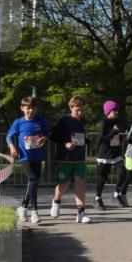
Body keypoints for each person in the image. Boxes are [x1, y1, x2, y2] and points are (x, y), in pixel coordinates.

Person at [6, 96, 51, 224]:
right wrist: (12, 146)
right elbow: (9, 136)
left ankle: (22, 207)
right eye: (27, 108)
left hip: (37, 156)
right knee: (32, 179)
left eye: (32, 108)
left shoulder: (40, 120)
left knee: (34, 183)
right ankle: (34, 211)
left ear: (35, 109)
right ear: (22, 109)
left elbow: (47, 133)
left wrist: (44, 138)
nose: (30, 111)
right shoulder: (18, 122)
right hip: (24, 156)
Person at [50, 95, 91, 224]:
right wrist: (65, 143)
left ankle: (81, 212)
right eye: (77, 110)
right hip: (65, 159)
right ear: (71, 107)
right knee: (64, 184)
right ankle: (56, 201)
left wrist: (87, 141)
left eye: (82, 110)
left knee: (80, 183)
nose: (80, 113)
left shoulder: (82, 122)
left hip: (79, 158)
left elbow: (81, 137)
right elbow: (54, 136)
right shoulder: (64, 121)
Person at [94, 100, 126, 209]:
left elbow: (117, 136)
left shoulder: (118, 121)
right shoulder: (104, 123)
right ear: (108, 112)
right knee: (102, 178)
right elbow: (101, 139)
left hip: (116, 153)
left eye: (117, 110)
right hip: (104, 154)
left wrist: (122, 137)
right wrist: (113, 132)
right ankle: (98, 198)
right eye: (114, 110)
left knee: (123, 173)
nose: (116, 112)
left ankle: (116, 195)